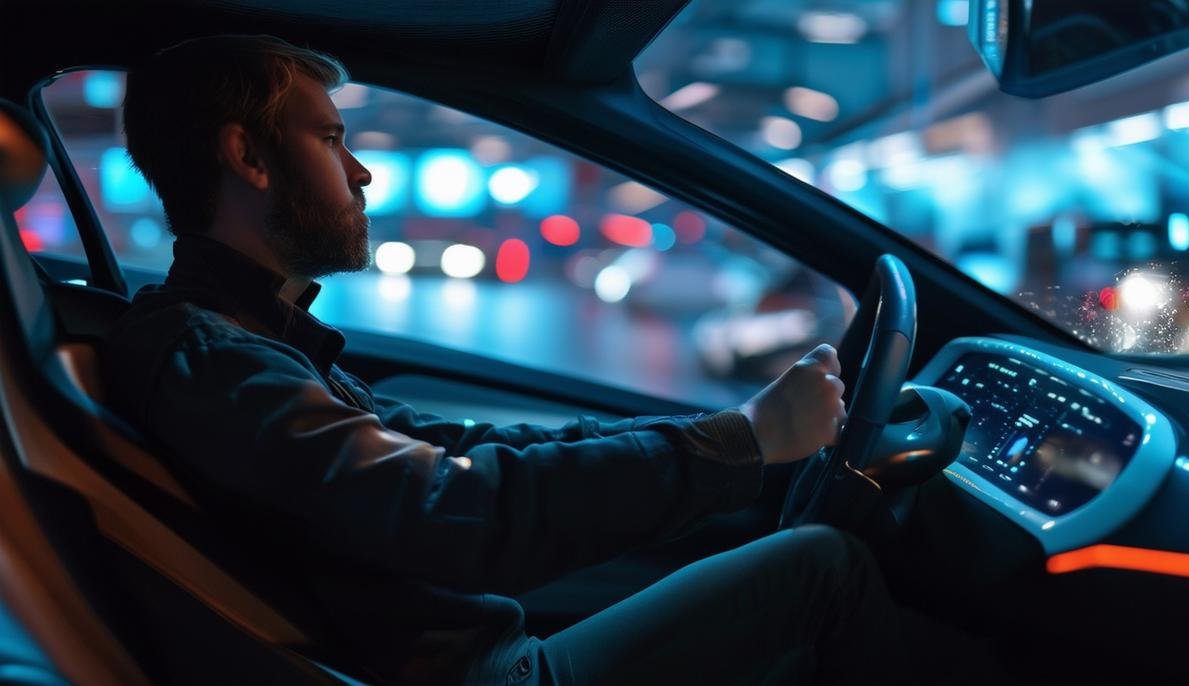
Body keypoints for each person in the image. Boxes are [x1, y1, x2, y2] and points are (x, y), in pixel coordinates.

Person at [102, 35, 904, 685]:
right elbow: (450, 511)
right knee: (823, 567)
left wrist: (731, 431)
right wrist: (748, 441)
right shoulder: (215, 357)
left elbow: (458, 449)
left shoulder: (250, 339)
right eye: (331, 138)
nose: (361, 170)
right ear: (248, 157)